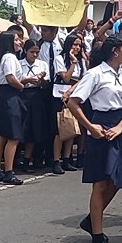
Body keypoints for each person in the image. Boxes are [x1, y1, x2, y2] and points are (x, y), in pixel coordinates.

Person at [67, 35, 122, 243]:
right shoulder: (95, 73)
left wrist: (121, 128)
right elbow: (73, 102)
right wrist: (90, 127)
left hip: (118, 127)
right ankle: (97, 237)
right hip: (101, 126)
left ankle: (92, 219)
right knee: (100, 183)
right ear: (115, 51)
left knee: (117, 179)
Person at [0, 31, 28, 185]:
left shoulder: (6, 57)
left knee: (2, 135)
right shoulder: (9, 57)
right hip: (10, 96)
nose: (20, 42)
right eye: (16, 39)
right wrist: (21, 85)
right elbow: (10, 78)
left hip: (4, 95)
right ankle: (9, 171)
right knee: (13, 136)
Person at [53, 33, 87, 173]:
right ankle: (56, 160)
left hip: (75, 95)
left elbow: (82, 79)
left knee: (72, 129)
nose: (77, 48)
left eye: (79, 45)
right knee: (60, 129)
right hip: (59, 95)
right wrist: (73, 63)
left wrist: (72, 91)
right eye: (74, 45)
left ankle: (67, 158)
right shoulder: (59, 58)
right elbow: (66, 78)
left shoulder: (82, 61)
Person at [18, 39, 50, 173]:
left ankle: (28, 160)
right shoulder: (19, 64)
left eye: (37, 52)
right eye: (32, 52)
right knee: (21, 128)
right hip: (22, 95)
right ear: (25, 51)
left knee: (33, 128)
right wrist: (28, 80)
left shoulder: (42, 64)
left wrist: (41, 80)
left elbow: (46, 84)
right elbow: (15, 80)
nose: (35, 55)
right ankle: (16, 159)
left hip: (37, 96)